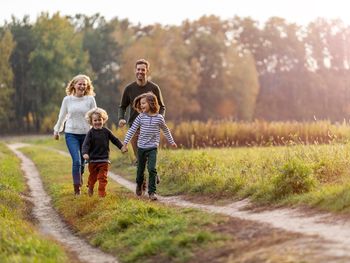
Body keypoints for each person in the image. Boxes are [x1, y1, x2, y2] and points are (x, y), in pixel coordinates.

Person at [122, 92, 177, 201]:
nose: (141, 105)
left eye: (143, 103)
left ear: (151, 103)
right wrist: (125, 143)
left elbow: (165, 130)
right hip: (141, 148)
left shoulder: (159, 118)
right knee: (140, 171)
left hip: (153, 147)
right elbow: (132, 130)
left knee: (152, 169)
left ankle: (152, 192)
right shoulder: (140, 117)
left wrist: (172, 141)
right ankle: (139, 184)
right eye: (140, 103)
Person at [53, 74, 97, 195]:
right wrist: (57, 130)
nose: (82, 86)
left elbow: (95, 116)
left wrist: (97, 132)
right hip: (71, 134)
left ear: (87, 86)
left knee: (83, 162)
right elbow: (62, 116)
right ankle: (77, 189)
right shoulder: (67, 100)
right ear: (74, 85)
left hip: (87, 135)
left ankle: (80, 175)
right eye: (80, 84)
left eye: (84, 84)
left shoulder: (90, 99)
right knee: (76, 161)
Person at [118, 59, 166, 165]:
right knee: (139, 156)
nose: (140, 72)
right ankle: (143, 180)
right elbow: (122, 107)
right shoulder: (129, 89)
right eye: (138, 69)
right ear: (135, 70)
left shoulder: (154, 88)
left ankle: (152, 175)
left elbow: (162, 107)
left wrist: (159, 119)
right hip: (135, 126)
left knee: (150, 154)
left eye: (143, 70)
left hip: (150, 126)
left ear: (147, 71)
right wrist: (121, 118)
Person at [82, 107, 127, 197]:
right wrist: (85, 153)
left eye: (100, 120)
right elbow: (85, 144)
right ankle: (90, 187)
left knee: (102, 178)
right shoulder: (90, 133)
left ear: (104, 120)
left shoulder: (106, 131)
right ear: (91, 121)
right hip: (93, 160)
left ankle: (101, 194)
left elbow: (115, 140)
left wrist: (121, 147)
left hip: (104, 160)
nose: (98, 122)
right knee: (93, 177)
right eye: (95, 120)